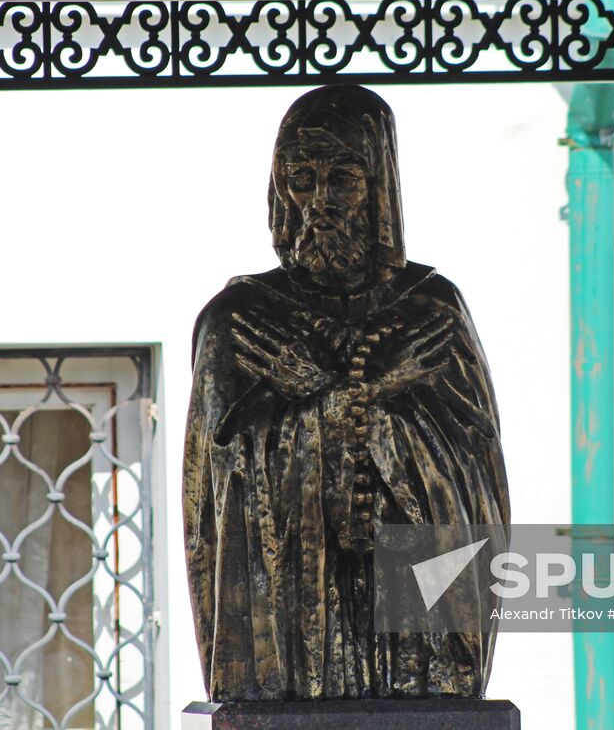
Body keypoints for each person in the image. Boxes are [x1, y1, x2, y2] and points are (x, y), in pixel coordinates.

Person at [183, 84, 509, 701]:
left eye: (343, 179)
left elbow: (472, 477)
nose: (319, 204)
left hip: (414, 622)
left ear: (379, 184)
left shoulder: (429, 310)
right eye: (301, 179)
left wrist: (370, 408)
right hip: (290, 610)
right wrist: (343, 402)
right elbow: (220, 490)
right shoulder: (242, 319)